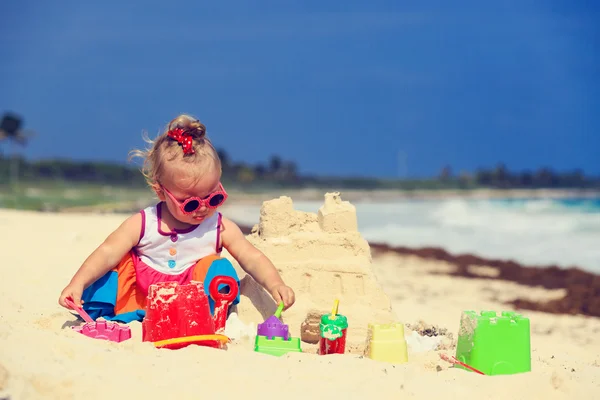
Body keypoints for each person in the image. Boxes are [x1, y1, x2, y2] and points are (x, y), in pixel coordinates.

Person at [58, 114, 295, 322]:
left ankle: (213, 314)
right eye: (190, 202)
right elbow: (106, 252)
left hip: (194, 302)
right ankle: (107, 310)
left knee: (218, 268)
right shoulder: (144, 223)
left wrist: (275, 284)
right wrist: (77, 283)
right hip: (142, 297)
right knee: (118, 261)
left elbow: (251, 257)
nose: (202, 208)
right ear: (160, 191)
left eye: (213, 198)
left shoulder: (219, 227)